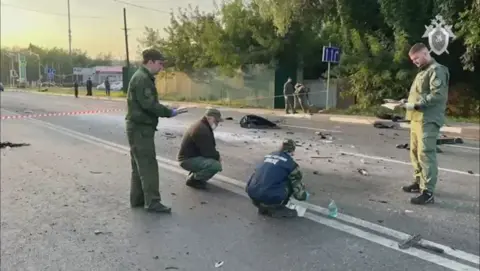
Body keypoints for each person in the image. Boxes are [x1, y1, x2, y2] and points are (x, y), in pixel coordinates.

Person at [126, 48, 187, 213]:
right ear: (150, 62)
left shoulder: (142, 76)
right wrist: (170, 112)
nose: (161, 68)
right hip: (141, 128)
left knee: (138, 165)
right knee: (148, 165)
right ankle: (152, 202)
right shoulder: (142, 79)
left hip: (138, 127)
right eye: (160, 63)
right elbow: (149, 105)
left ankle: (137, 199)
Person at [399, 43, 450, 205]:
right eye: (412, 60)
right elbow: (419, 94)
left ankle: (428, 192)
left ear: (425, 53)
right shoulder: (423, 72)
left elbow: (437, 95)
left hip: (428, 119)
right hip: (417, 119)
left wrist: (416, 105)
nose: (415, 62)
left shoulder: (437, 70)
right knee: (414, 152)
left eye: (416, 58)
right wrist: (405, 102)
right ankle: (418, 182)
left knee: (426, 154)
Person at [246, 139, 309, 218]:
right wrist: (303, 195)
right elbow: (298, 192)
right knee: (290, 181)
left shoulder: (267, 156)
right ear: (292, 151)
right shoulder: (291, 165)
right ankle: (275, 208)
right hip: (270, 196)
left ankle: (261, 205)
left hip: (253, 193)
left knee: (263, 175)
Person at [177, 108, 223, 190]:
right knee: (215, 165)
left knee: (212, 160)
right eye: (216, 121)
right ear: (210, 118)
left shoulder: (203, 125)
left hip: (191, 156)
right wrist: (218, 157)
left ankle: (195, 174)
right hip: (186, 160)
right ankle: (194, 180)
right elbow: (209, 152)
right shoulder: (201, 129)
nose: (217, 124)